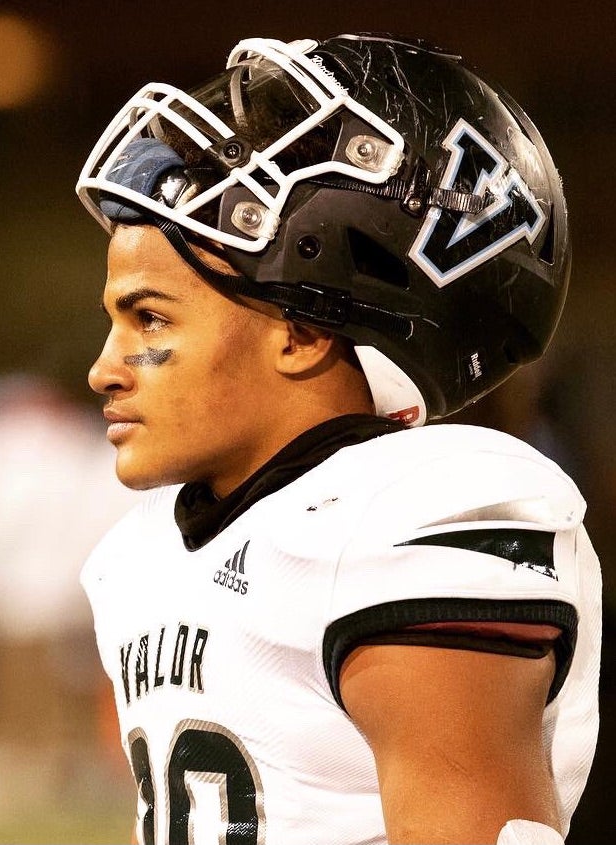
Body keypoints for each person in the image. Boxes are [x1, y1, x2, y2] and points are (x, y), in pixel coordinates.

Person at [76, 33, 601, 845]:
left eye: (150, 318)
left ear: (302, 330)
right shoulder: (141, 552)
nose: (104, 370)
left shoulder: (403, 518)